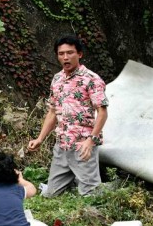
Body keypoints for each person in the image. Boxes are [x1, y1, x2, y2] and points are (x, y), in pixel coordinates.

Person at [27, 35, 109, 197]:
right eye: (61, 53)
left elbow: (102, 112)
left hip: (82, 145)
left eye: (70, 53)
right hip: (62, 145)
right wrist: (40, 139)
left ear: (79, 54)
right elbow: (52, 112)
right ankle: (72, 180)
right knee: (50, 195)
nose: (65, 57)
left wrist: (90, 140)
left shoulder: (91, 79)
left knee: (91, 195)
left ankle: (114, 188)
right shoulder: (57, 79)